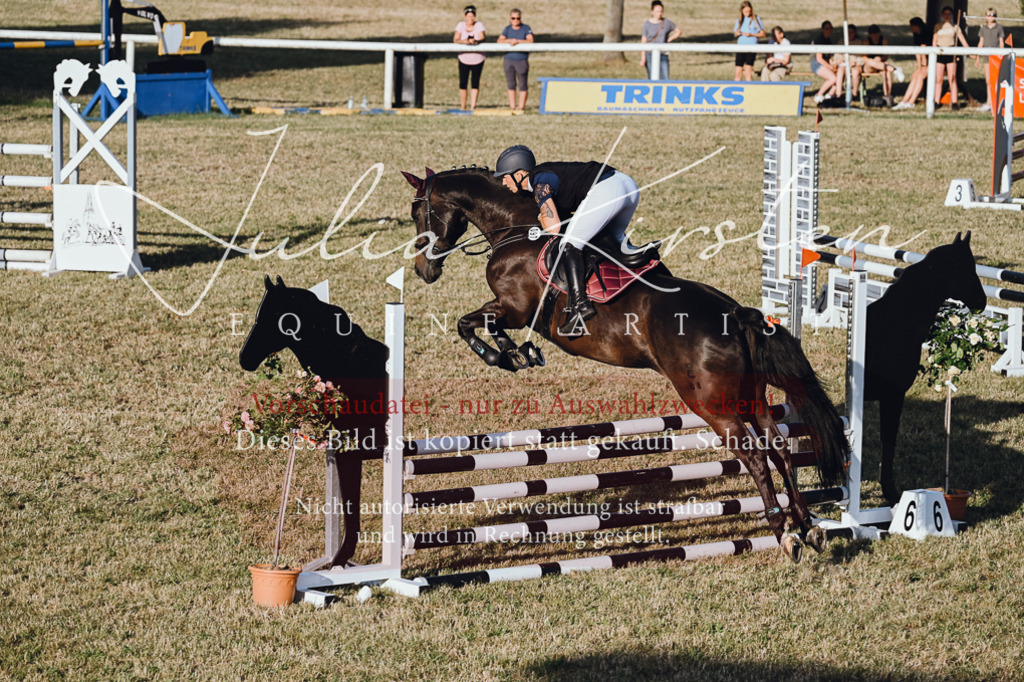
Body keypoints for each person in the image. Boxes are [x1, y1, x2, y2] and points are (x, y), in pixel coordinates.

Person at [492, 146, 643, 337]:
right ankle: (636, 254)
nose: (503, 181)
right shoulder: (546, 173)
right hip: (628, 185)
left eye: (505, 176)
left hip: (608, 190)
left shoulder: (538, 183)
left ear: (520, 174)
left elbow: (553, 227)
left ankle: (580, 305)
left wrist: (542, 217)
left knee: (569, 244)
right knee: (613, 239)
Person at [933, 5, 970, 110]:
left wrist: (971, 52)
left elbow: (963, 41)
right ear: (942, 15)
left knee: (952, 78)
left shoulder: (955, 27)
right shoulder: (938, 26)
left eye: (949, 14)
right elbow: (934, 40)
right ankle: (936, 101)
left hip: (951, 52)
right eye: (945, 14)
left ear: (952, 15)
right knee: (939, 79)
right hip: (940, 54)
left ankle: (954, 102)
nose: (947, 16)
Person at [498, 8, 533, 112]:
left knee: (522, 84)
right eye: (513, 18)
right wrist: (510, 41)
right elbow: (500, 41)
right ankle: (512, 107)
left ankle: (521, 107)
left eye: (518, 18)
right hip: (509, 59)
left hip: (521, 59)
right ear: (510, 18)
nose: (515, 20)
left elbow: (530, 41)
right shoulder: (507, 29)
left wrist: (517, 42)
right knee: (511, 84)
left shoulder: (526, 28)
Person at [862, 24, 905, 107]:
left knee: (887, 72)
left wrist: (879, 59)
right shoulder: (867, 42)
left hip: (881, 65)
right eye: (873, 35)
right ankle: (894, 69)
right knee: (873, 61)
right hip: (869, 66)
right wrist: (876, 60)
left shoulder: (883, 40)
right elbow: (865, 58)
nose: (874, 36)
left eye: (876, 34)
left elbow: (885, 56)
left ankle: (887, 95)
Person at [454, 5, 486, 111]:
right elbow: (456, 39)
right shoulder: (460, 25)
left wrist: (475, 41)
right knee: (463, 82)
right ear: (464, 16)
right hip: (464, 58)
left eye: (472, 16)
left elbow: (482, 37)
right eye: (468, 16)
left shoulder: (479, 25)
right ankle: (463, 106)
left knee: (475, 82)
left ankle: (473, 106)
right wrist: (464, 41)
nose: (470, 19)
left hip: (477, 58)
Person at [893, 17, 930, 110]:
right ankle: (904, 101)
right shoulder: (916, 34)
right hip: (924, 62)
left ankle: (912, 101)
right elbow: (918, 51)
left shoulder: (927, 34)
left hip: (933, 62)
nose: (910, 28)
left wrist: (924, 66)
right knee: (915, 76)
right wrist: (919, 66)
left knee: (920, 76)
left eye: (912, 26)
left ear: (917, 26)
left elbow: (924, 50)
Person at [640, 1, 682, 80]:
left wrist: (668, 40)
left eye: (661, 11)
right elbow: (644, 41)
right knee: (652, 77)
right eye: (657, 11)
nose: (659, 14)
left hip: (663, 54)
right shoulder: (647, 24)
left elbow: (678, 31)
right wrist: (643, 57)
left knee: (665, 77)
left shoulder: (666, 23)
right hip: (650, 54)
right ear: (652, 12)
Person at [974, 8, 1005, 112]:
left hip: (996, 57)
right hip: (987, 57)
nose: (990, 16)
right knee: (988, 80)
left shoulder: (999, 28)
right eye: (988, 14)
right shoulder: (983, 29)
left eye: (992, 15)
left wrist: (1002, 55)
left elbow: (1001, 42)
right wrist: (977, 58)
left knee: (996, 80)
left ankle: (996, 102)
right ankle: (989, 102)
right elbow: (981, 43)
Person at [733, 1, 765, 81]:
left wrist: (751, 34)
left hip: (751, 47)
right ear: (742, 11)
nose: (747, 13)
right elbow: (735, 33)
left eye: (749, 11)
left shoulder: (756, 19)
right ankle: (736, 86)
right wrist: (738, 33)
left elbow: (762, 33)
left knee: (748, 71)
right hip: (740, 48)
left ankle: (749, 88)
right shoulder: (740, 20)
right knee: (738, 71)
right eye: (745, 11)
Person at [831, 24, 865, 100]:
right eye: (848, 32)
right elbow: (836, 55)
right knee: (840, 71)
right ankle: (838, 94)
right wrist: (838, 60)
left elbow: (863, 57)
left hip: (855, 64)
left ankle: (854, 94)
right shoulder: (842, 41)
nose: (850, 34)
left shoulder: (859, 42)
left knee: (855, 72)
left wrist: (855, 62)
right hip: (844, 64)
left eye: (852, 32)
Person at [812, 21, 838, 103]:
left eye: (830, 28)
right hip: (816, 64)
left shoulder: (828, 40)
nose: (829, 30)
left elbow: (829, 57)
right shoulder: (819, 40)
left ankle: (829, 95)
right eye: (827, 28)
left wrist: (833, 65)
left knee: (840, 76)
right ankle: (819, 95)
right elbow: (819, 59)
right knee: (833, 78)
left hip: (824, 63)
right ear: (823, 29)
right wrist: (830, 67)